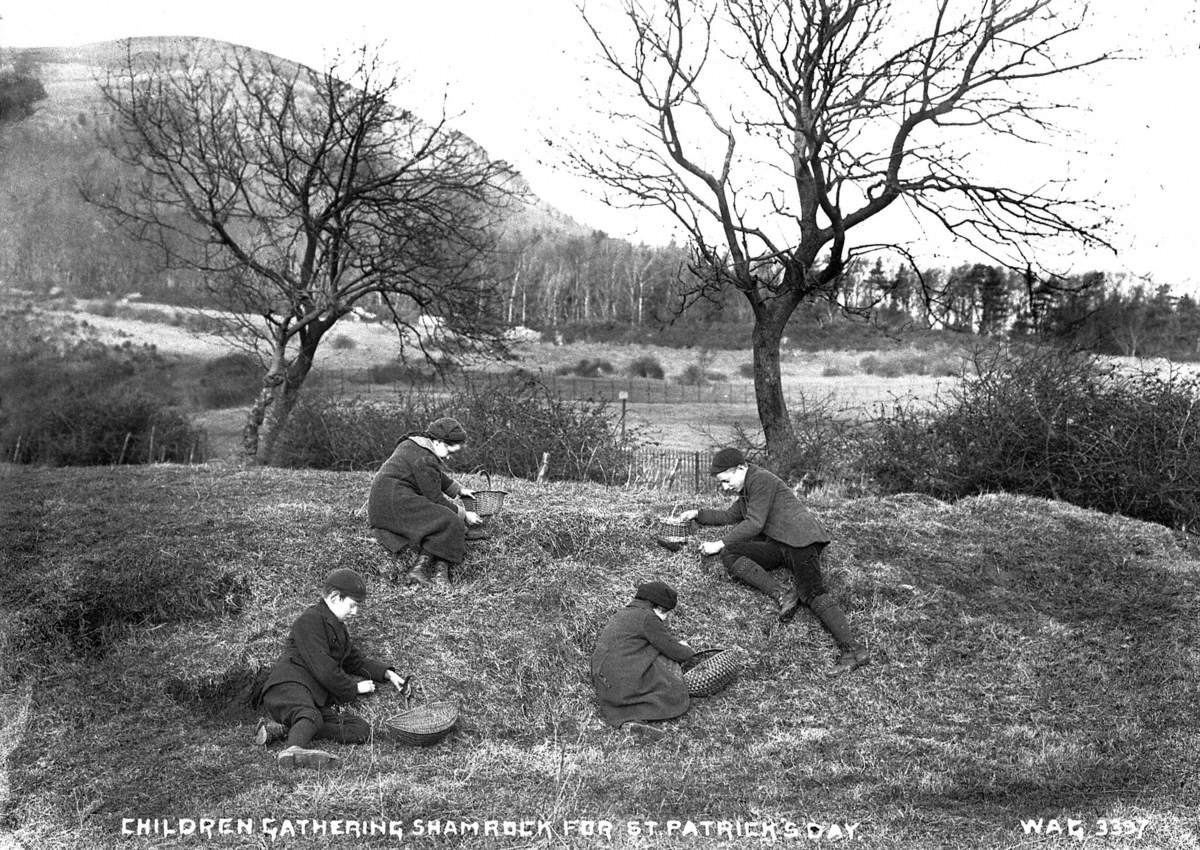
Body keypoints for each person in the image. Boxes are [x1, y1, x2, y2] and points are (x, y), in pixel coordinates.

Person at [678, 448, 871, 676]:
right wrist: (696, 514)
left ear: (741, 468)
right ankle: (783, 594)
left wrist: (718, 543)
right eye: (721, 483)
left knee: (812, 593)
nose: (724, 487)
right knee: (732, 553)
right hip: (780, 544)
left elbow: (754, 523)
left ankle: (853, 650)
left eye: (726, 481)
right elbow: (730, 516)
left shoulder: (761, 480)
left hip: (801, 540)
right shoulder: (747, 489)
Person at [255, 568, 410, 768]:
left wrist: (388, 674)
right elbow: (324, 669)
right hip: (287, 687)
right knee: (310, 715)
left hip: (311, 698)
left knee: (360, 730)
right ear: (335, 597)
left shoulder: (339, 629)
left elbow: (355, 662)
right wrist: (354, 688)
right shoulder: (309, 620)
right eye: (353, 605)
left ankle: (283, 730)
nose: (356, 612)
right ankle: (293, 751)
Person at [368, 416, 486, 588]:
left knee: (445, 518)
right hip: (393, 505)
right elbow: (436, 499)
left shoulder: (416, 444)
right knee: (448, 519)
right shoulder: (425, 459)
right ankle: (421, 571)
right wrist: (464, 514)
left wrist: (458, 490)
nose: (448, 458)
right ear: (438, 442)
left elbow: (433, 474)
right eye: (450, 452)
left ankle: (426, 569)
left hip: (386, 501)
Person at [590, 580, 696, 736]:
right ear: (658, 607)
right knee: (671, 684)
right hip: (622, 682)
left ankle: (626, 716)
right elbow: (674, 651)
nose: (665, 618)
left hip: (604, 681)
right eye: (665, 612)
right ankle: (634, 716)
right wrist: (687, 649)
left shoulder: (626, 613)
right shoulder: (648, 618)